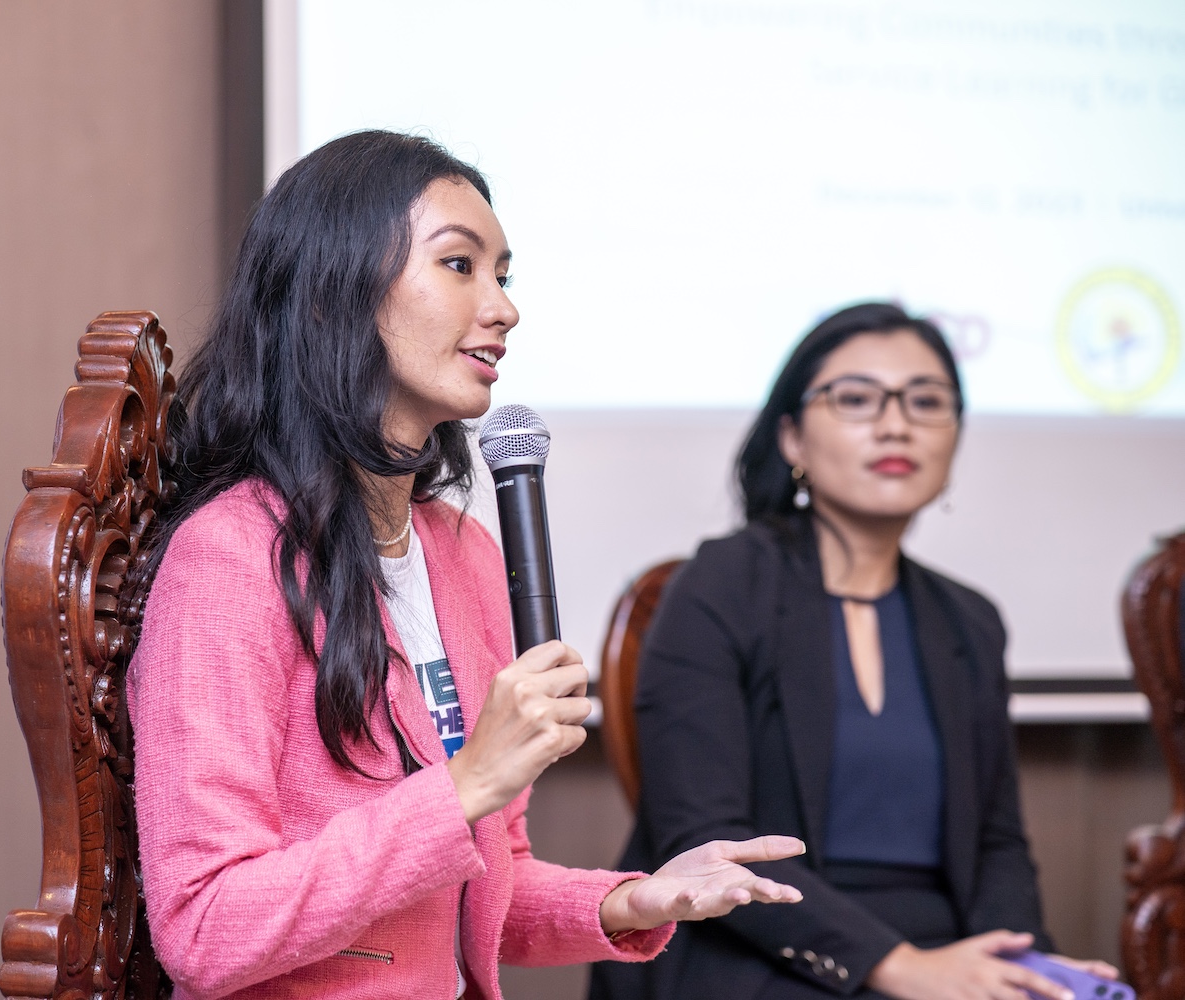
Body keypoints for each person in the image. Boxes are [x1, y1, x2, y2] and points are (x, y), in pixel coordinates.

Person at [125, 129, 805, 1000]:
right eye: (460, 265)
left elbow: (479, 886)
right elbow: (205, 927)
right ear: (332, 294)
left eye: (504, 275)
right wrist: (466, 782)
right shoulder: (227, 560)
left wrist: (633, 899)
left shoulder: (463, 553)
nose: (504, 308)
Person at [590, 303, 1120, 999]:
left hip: (942, 951)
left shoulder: (969, 621)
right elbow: (706, 837)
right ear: (792, 439)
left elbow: (997, 847)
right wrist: (898, 967)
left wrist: (1025, 968)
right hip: (760, 949)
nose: (896, 424)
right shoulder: (720, 584)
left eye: (925, 401)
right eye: (857, 399)